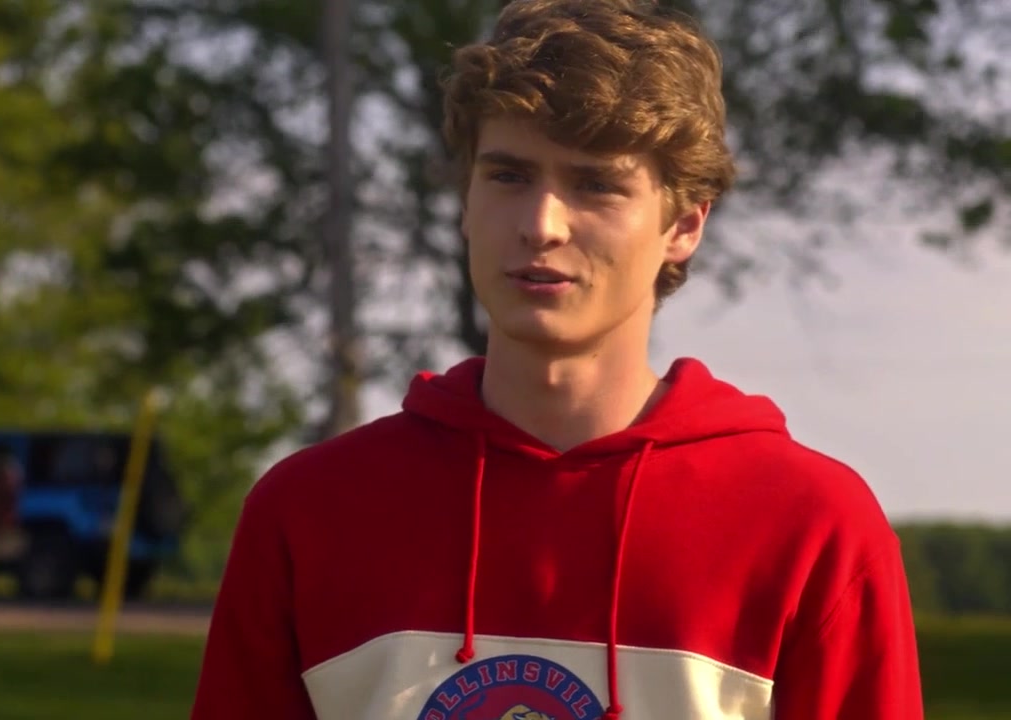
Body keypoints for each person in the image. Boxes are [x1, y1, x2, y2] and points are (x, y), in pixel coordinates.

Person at [191, 0, 925, 718]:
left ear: (683, 225)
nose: (541, 224)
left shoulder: (810, 528)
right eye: (508, 176)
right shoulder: (309, 513)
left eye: (596, 184)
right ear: (465, 200)